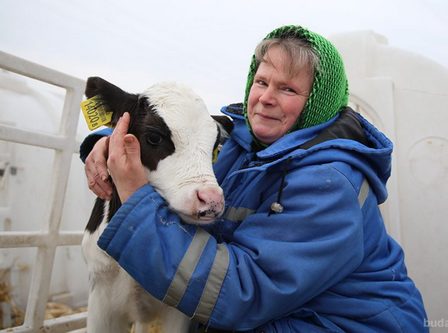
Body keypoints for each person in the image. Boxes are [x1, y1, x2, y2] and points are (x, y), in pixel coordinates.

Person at [81, 25, 429, 332]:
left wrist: (133, 192)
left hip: (341, 324)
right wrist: (106, 142)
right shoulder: (241, 139)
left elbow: (242, 293)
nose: (265, 98)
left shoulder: (331, 181)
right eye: (261, 82)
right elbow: (179, 129)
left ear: (316, 104)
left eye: (288, 89)